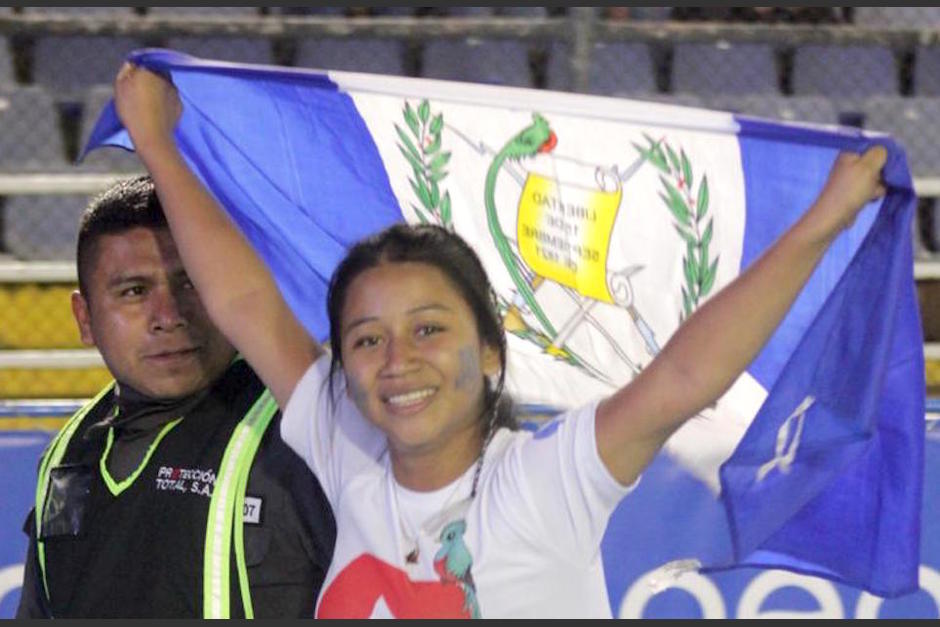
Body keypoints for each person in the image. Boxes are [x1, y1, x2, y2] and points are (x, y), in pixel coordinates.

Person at [111, 62, 888, 618]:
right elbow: (247, 303)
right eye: (367, 339)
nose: (398, 361)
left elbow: (687, 374)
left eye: (428, 329)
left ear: (490, 350)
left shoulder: (544, 482)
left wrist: (821, 223)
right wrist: (157, 143)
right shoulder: (344, 442)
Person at [16, 176, 336, 619]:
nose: (169, 316)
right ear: (84, 318)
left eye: (193, 283)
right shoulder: (67, 455)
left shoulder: (307, 433)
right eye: (134, 291)